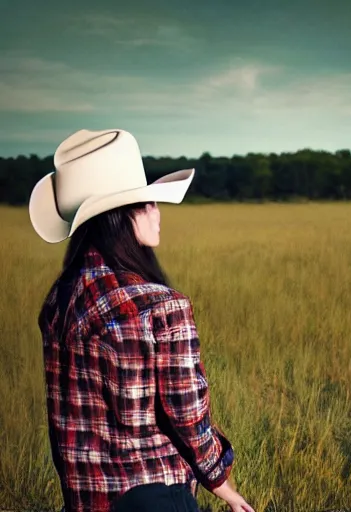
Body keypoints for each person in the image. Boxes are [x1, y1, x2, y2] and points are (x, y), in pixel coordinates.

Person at [29, 129, 255, 512]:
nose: (157, 212)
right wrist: (225, 488)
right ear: (118, 218)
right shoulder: (161, 306)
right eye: (146, 203)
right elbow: (188, 418)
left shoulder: (59, 303)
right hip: (155, 498)